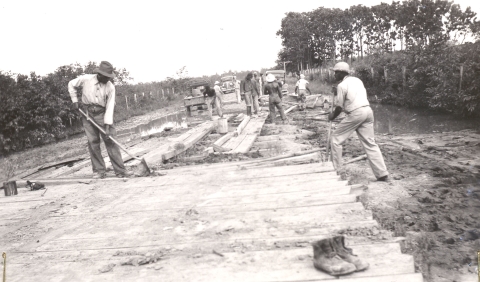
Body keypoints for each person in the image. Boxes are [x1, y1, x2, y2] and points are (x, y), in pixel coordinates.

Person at [68, 61, 133, 179]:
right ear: (100, 74)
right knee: (93, 142)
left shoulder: (110, 87)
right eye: (106, 76)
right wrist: (75, 101)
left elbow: (110, 107)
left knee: (111, 140)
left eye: (109, 77)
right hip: (87, 114)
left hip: (102, 114)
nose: (108, 79)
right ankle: (99, 171)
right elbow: (71, 84)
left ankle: (120, 171)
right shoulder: (86, 79)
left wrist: (107, 126)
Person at [328, 62, 389, 181]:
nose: (334, 75)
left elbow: (339, 107)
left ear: (341, 73)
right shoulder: (357, 80)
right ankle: (382, 173)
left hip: (356, 113)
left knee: (335, 139)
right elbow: (353, 94)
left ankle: (337, 171)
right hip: (368, 112)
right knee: (370, 143)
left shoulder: (342, 85)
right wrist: (337, 92)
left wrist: (332, 116)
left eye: (336, 72)